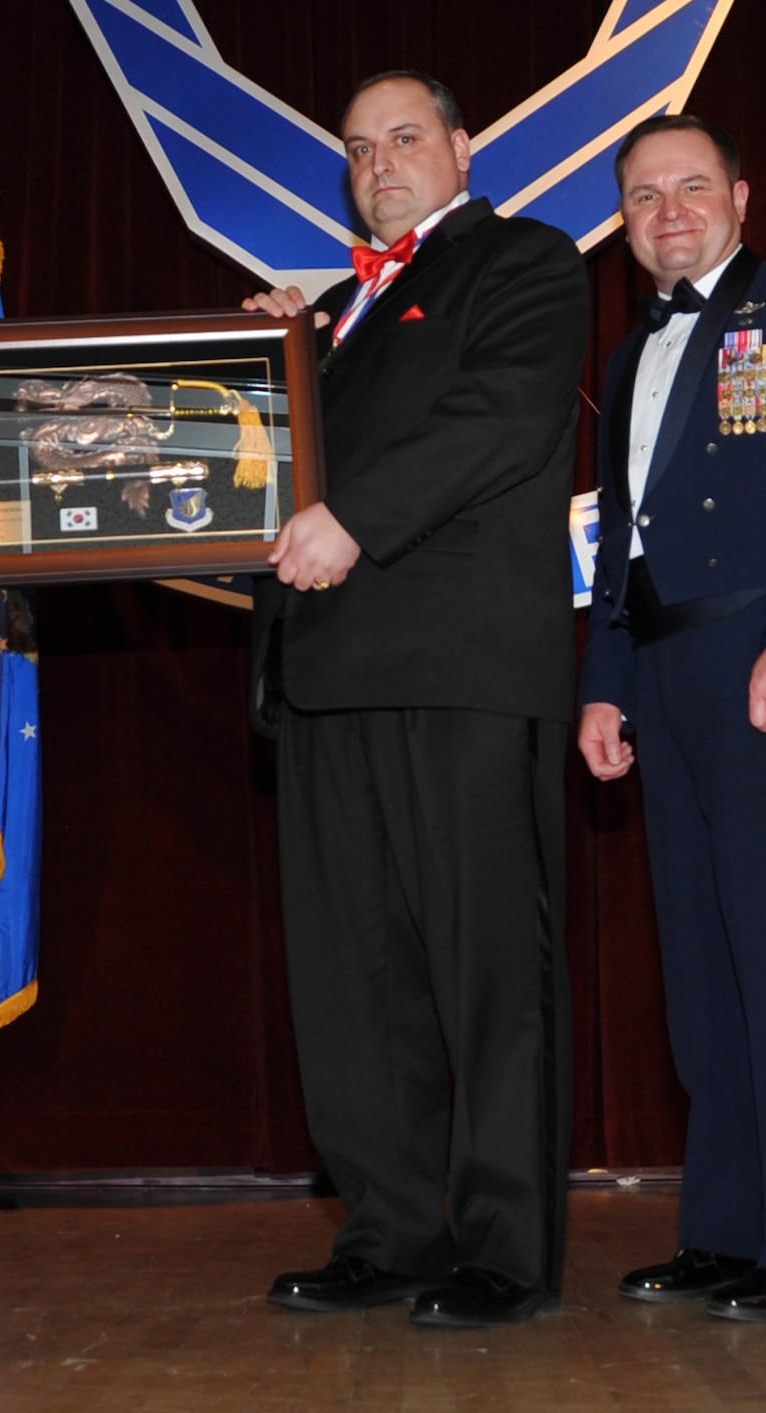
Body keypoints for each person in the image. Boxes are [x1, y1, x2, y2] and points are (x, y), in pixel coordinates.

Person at [242, 70, 587, 1330]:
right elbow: (263, 475)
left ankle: (503, 1246)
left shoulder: (528, 262)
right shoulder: (333, 310)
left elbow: (501, 416)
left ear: (458, 144)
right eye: (355, 149)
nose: (378, 163)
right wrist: (262, 363)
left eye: (401, 138)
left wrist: (354, 520)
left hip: (460, 670)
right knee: (353, 979)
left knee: (487, 971)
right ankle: (390, 1229)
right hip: (327, 673)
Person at [577, 115, 766, 1321]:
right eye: (643, 196)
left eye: (689, 187)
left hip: (764, 652)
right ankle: (721, 1229)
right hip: (661, 664)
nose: (667, 211)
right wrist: (603, 679)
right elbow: (618, 537)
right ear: (624, 223)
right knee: (697, 964)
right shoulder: (622, 358)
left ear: (739, 198)